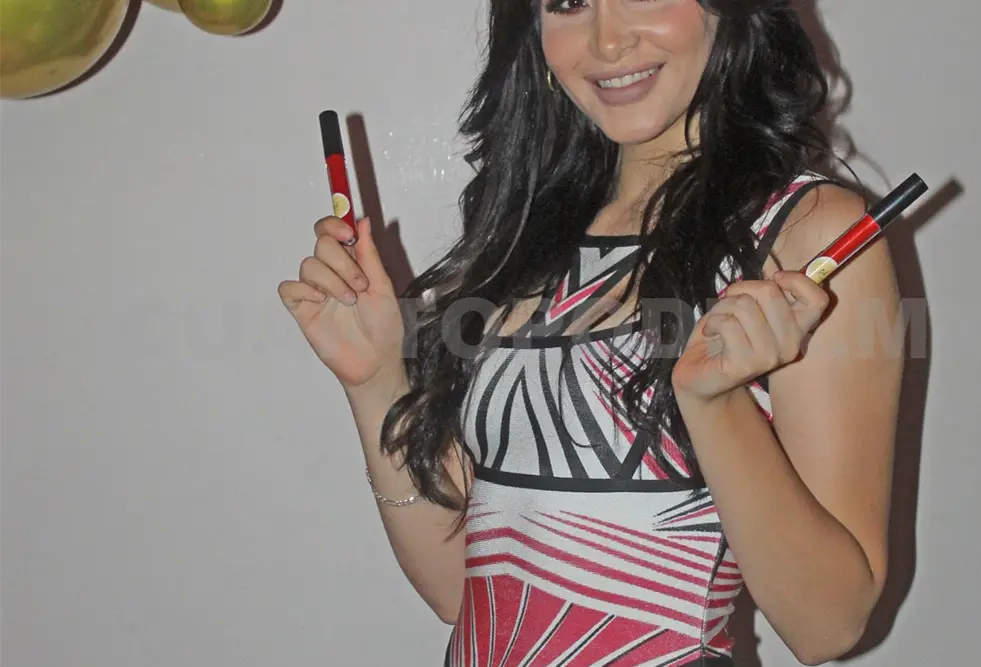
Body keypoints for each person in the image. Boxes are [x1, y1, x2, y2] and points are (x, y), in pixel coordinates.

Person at [278, 1, 903, 664]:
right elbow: (462, 592)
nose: (607, 40)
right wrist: (377, 378)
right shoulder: (527, 236)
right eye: (569, 1)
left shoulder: (807, 233)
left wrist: (716, 407)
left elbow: (826, 625)